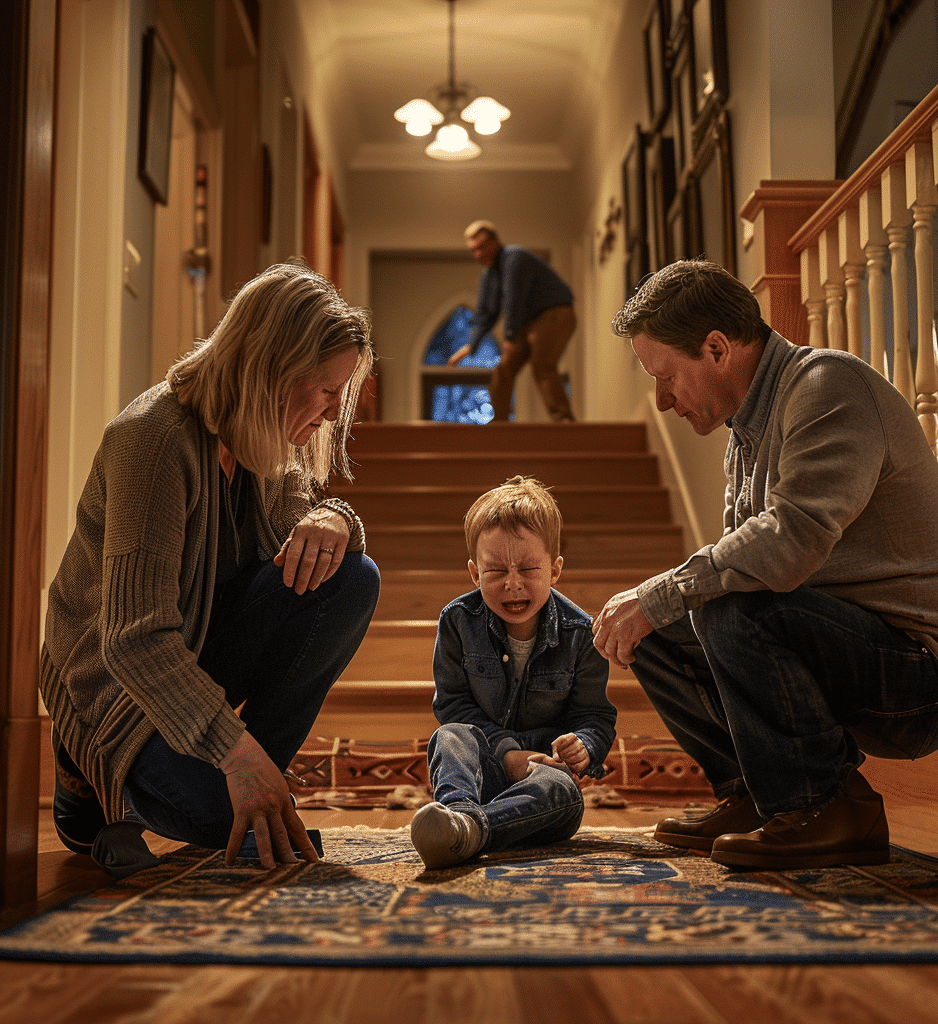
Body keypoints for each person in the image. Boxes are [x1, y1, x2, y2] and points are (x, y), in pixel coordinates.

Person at [592, 259, 938, 871]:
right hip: (843, 649)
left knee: (724, 607)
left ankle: (824, 804)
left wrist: (664, 591)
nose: (662, 400)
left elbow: (790, 542)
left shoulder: (826, 388)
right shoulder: (745, 437)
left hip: (918, 679)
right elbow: (741, 567)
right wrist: (659, 604)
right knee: (662, 629)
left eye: (667, 377)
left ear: (716, 347)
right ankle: (760, 793)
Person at [42, 261, 381, 875]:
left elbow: (310, 523)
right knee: (252, 842)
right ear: (275, 368)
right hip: (119, 687)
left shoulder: (262, 437)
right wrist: (234, 751)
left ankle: (255, 787)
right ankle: (89, 780)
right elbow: (134, 642)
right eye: (329, 390)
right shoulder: (152, 442)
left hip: (200, 652)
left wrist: (333, 518)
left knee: (352, 578)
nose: (333, 413)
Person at [411, 475, 616, 869]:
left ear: (555, 570)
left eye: (527, 568)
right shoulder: (457, 621)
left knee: (565, 795)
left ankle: (467, 832)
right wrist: (507, 757)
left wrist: (584, 747)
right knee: (449, 736)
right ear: (474, 573)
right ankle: (458, 815)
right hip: (481, 770)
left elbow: (596, 717)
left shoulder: (580, 633)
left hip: (543, 776)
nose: (513, 584)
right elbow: (454, 707)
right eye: (495, 571)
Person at [448, 220, 577, 422]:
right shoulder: (489, 275)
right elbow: (485, 313)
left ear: (494, 242)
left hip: (555, 314)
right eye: (473, 250)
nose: (478, 255)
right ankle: (499, 425)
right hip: (527, 325)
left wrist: (509, 337)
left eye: (481, 248)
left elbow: (513, 298)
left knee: (542, 365)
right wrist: (470, 346)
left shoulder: (514, 257)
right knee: (503, 370)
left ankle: (563, 420)